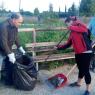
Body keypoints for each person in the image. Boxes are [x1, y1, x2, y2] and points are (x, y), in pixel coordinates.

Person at [55, 16, 92, 95]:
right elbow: (68, 44)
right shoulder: (72, 33)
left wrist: (71, 26)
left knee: (85, 70)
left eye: (67, 24)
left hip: (86, 52)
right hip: (78, 53)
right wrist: (58, 48)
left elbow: (84, 29)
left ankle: (88, 90)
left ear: (70, 22)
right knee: (80, 69)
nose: (67, 26)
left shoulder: (79, 25)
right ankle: (78, 83)